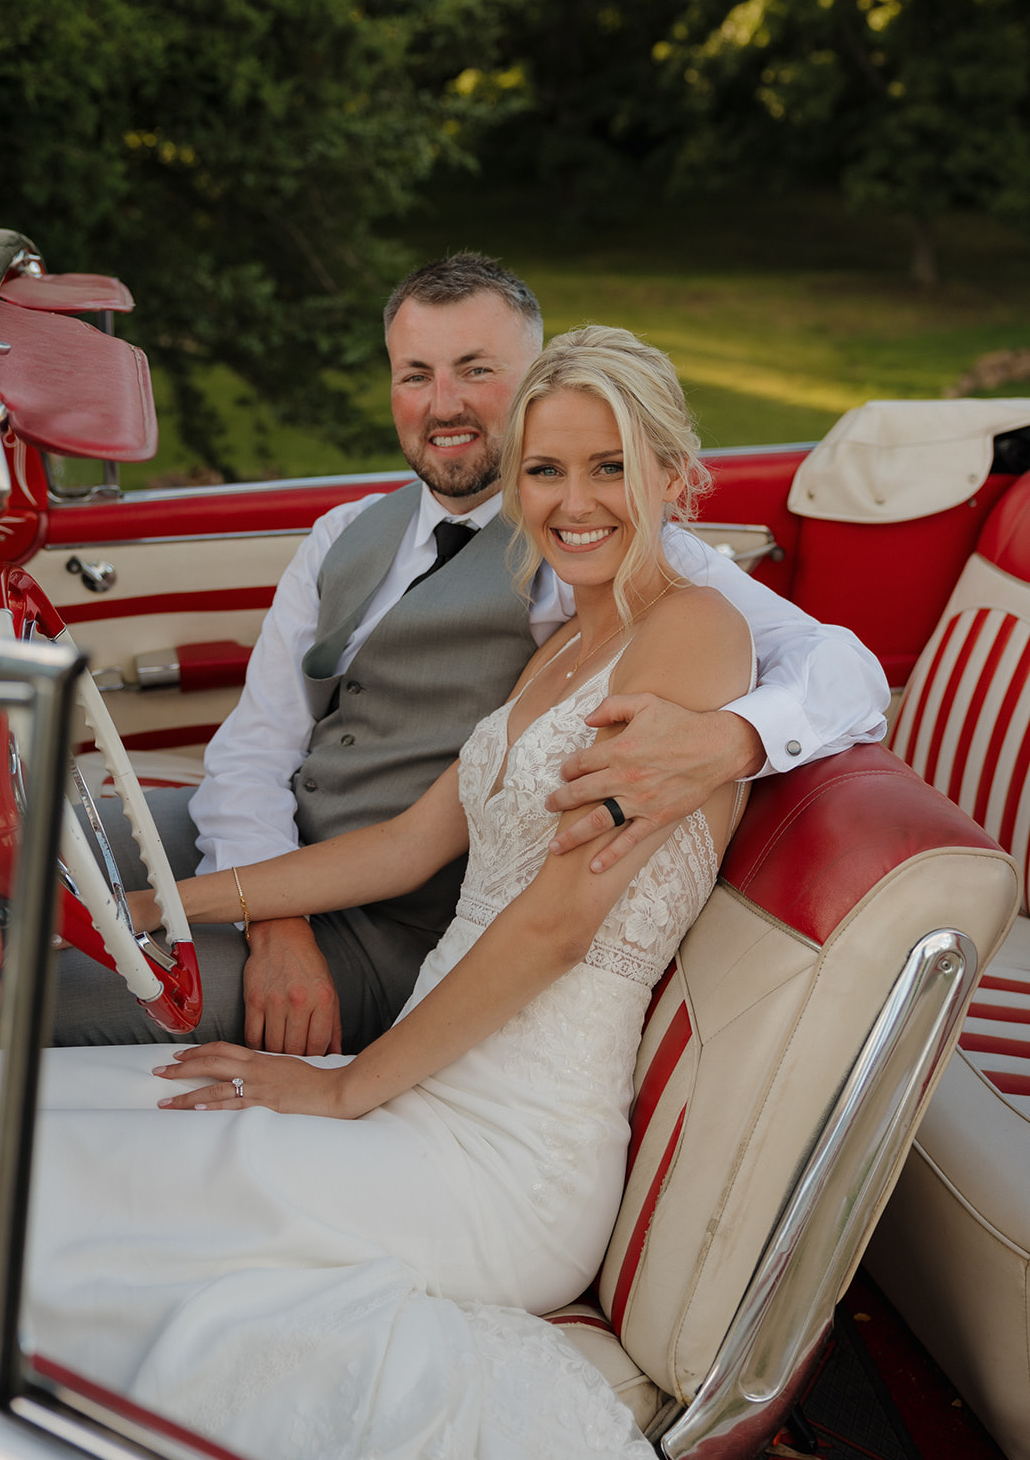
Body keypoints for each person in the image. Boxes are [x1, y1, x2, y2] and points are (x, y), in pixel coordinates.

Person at [0, 325, 751, 1460]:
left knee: (33, 1192)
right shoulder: (559, 646)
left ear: (677, 477)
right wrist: (151, 909)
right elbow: (403, 847)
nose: (574, 501)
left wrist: (341, 1090)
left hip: (506, 1157)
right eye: (545, 470)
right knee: (2, 1097)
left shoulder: (694, 634)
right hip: (416, 1093)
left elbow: (553, 923)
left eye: (612, 467)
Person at [52, 254, 888, 1058]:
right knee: (15, 860)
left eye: (476, 371)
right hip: (276, 860)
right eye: (415, 374)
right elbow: (259, 744)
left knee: (13, 978)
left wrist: (734, 739)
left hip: (390, 932)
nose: (442, 404)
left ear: (535, 385)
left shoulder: (590, 548)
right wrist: (273, 919)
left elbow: (844, 669)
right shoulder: (342, 535)